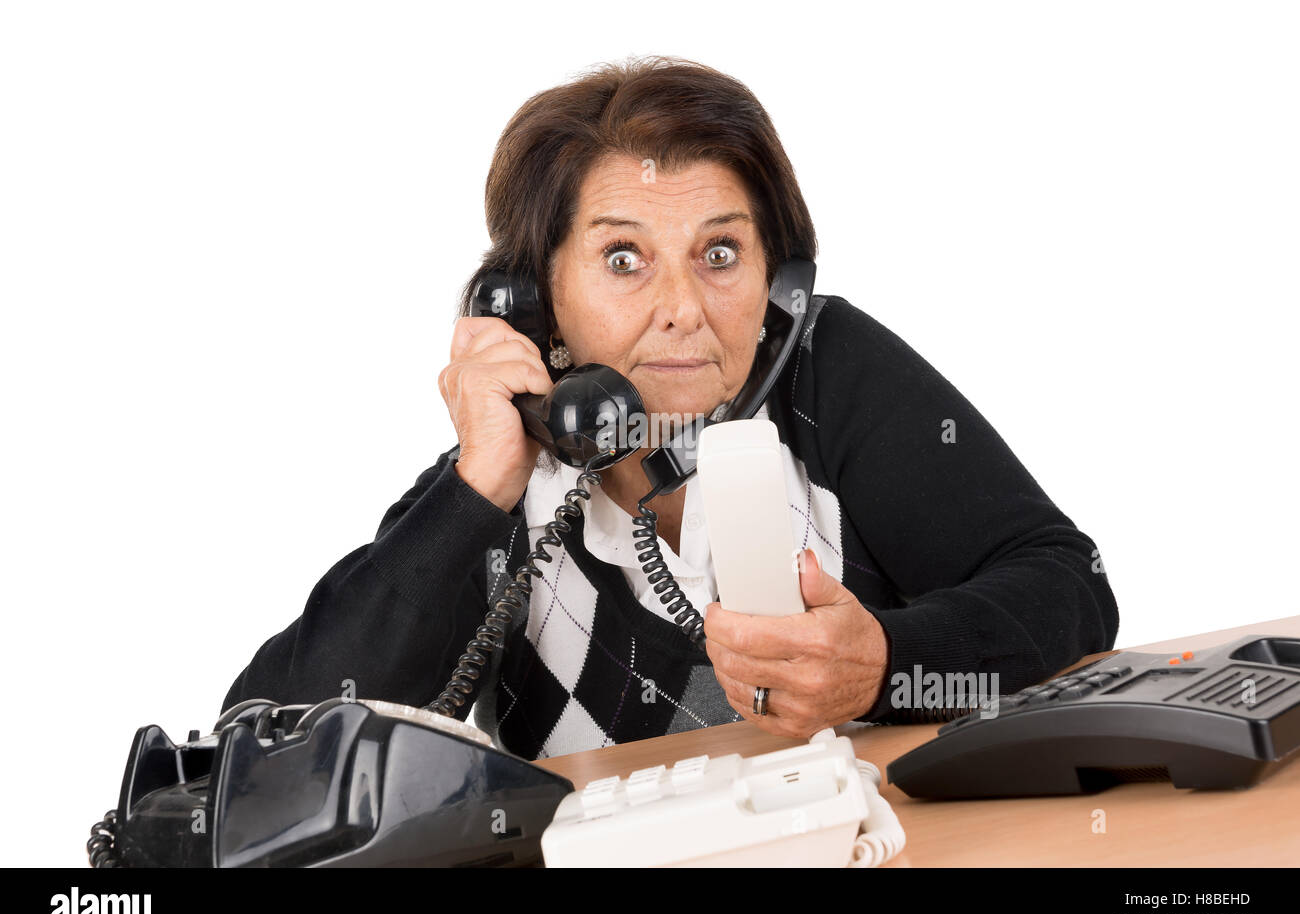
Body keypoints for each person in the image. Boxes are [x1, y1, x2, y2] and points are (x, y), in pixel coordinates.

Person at [222, 56, 1119, 760]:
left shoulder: (827, 372)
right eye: (624, 258)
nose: (684, 306)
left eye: (720, 253)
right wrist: (475, 489)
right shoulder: (502, 489)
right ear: (538, 302)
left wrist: (884, 662)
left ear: (778, 282)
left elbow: (1067, 585)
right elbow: (270, 734)